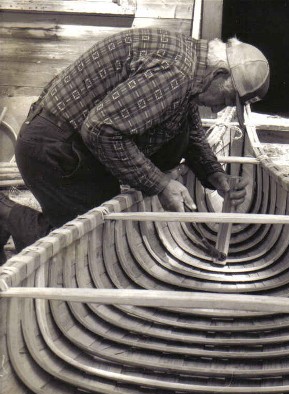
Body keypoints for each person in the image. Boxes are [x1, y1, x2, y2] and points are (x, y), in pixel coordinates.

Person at [0, 27, 270, 264]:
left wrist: (217, 176)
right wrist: (160, 185)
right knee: (81, 246)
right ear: (219, 72)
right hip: (54, 149)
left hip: (69, 146)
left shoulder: (191, 64)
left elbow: (191, 133)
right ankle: (5, 211)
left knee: (98, 235)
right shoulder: (176, 73)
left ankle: (11, 221)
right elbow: (100, 130)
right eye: (225, 98)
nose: (217, 107)